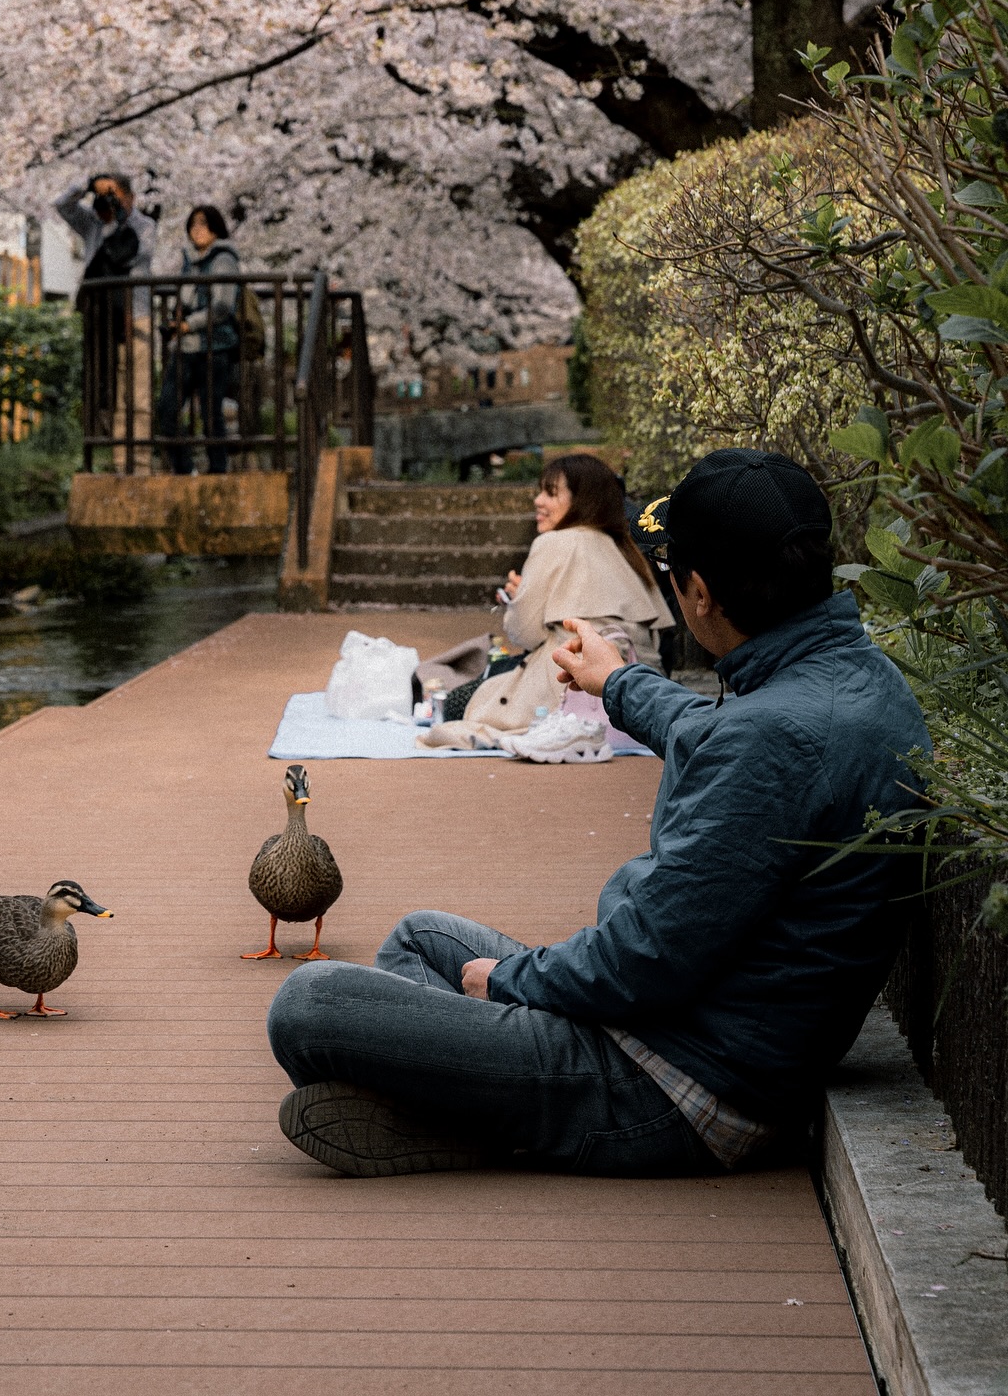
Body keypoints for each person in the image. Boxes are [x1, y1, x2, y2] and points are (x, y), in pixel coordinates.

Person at [268, 448, 932, 1179]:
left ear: (701, 594)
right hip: (684, 1026)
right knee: (421, 938)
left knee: (307, 1004)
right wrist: (617, 681)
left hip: (672, 1082)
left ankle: (474, 1117)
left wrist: (512, 984)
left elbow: (646, 961)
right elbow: (711, 737)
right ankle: (464, 1101)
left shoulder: (771, 737)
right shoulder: (857, 680)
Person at [423, 452, 673, 749]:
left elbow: (525, 635)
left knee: (457, 702)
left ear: (582, 500)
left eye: (550, 493)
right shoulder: (627, 549)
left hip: (571, 686)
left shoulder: (553, 542)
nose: (538, 501)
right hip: (640, 691)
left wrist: (518, 601)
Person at [55, 172, 156, 471]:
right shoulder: (93, 224)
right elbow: (62, 206)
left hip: (135, 317)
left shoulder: (144, 225)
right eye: (104, 195)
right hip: (102, 321)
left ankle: (137, 464)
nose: (108, 201)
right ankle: (118, 460)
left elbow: (137, 254)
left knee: (137, 394)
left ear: (130, 197)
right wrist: (87, 185)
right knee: (107, 392)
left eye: (114, 194)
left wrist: (123, 218)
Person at [157, 204, 240, 475]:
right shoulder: (188, 260)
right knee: (167, 408)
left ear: (216, 227)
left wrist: (188, 324)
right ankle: (184, 468)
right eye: (193, 224)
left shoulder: (223, 259)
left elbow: (222, 307)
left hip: (214, 346)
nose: (197, 230)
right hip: (186, 346)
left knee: (211, 413)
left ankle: (218, 471)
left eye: (203, 224)